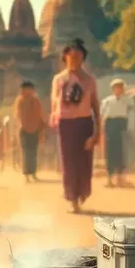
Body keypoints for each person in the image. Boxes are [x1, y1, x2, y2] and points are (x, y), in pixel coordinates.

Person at [50, 39, 100, 213]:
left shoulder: (89, 80)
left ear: (83, 58)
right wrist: (54, 121)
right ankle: (72, 198)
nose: (74, 59)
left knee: (84, 163)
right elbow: (54, 104)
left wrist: (97, 133)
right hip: (65, 124)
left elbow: (96, 106)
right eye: (71, 56)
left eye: (78, 56)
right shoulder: (58, 80)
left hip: (84, 123)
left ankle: (81, 194)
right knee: (69, 162)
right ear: (65, 57)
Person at [13, 80, 45, 183]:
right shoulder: (20, 101)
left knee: (34, 152)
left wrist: (41, 130)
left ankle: (33, 173)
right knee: (26, 152)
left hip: (35, 130)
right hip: (24, 130)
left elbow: (40, 115)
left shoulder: (36, 101)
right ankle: (26, 174)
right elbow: (19, 115)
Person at [100, 78, 129, 186]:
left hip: (121, 125)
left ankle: (120, 178)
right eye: (116, 88)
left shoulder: (127, 100)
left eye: (120, 87)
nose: (118, 90)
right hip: (110, 125)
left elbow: (129, 115)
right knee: (110, 153)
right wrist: (103, 128)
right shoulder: (106, 101)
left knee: (120, 153)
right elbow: (102, 115)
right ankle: (109, 178)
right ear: (113, 89)